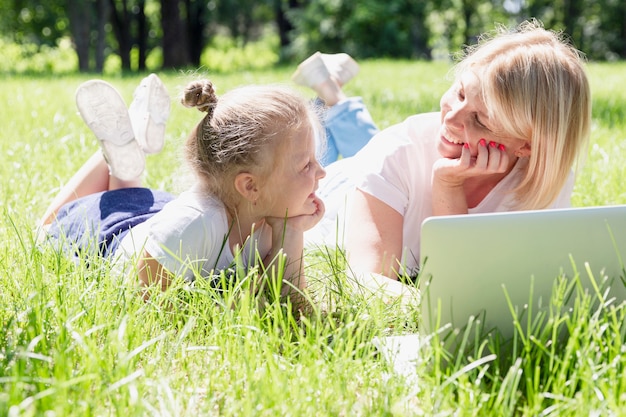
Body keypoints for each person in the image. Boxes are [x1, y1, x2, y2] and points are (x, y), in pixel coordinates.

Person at [295, 20, 591, 292]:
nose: (451, 118)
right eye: (460, 94)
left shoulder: (544, 181)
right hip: (334, 190)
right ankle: (328, 96)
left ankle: (328, 93)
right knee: (311, 152)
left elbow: (474, 281)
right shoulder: (396, 152)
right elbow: (365, 280)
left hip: (393, 165)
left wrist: (447, 186)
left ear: (526, 146)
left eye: (481, 120)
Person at [39, 74, 327, 301]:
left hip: (156, 212)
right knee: (46, 229)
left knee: (125, 193)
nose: (322, 173)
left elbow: (288, 301)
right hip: (110, 235)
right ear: (250, 186)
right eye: (306, 166)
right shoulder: (192, 225)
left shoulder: (268, 218)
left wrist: (291, 232)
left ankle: (127, 154)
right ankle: (119, 152)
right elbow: (143, 299)